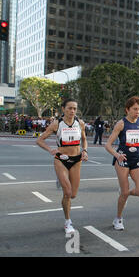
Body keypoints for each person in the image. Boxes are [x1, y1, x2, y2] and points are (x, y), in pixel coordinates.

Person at [36, 99, 89, 235]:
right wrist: (50, 150)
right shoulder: (56, 124)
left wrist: (85, 150)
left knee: (74, 195)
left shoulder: (80, 123)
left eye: (74, 109)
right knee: (67, 192)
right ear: (63, 109)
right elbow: (39, 140)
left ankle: (62, 180)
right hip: (61, 160)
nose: (72, 111)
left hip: (76, 160)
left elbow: (84, 139)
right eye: (69, 108)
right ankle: (67, 221)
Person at [105, 96, 139, 231]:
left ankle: (125, 193)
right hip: (122, 160)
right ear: (127, 109)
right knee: (124, 192)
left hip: (136, 159)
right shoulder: (121, 124)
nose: (137, 111)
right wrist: (117, 155)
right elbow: (108, 145)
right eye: (135, 109)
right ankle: (118, 218)